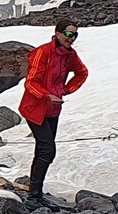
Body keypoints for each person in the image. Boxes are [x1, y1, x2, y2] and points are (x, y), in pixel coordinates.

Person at [19, 21, 87, 204]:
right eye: (67, 33)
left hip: (53, 109)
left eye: (74, 35)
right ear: (57, 33)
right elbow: (30, 82)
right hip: (34, 108)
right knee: (48, 150)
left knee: (43, 149)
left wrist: (66, 89)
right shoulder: (43, 52)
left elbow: (82, 73)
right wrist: (47, 95)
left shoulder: (69, 55)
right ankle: (34, 195)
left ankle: (35, 194)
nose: (70, 38)